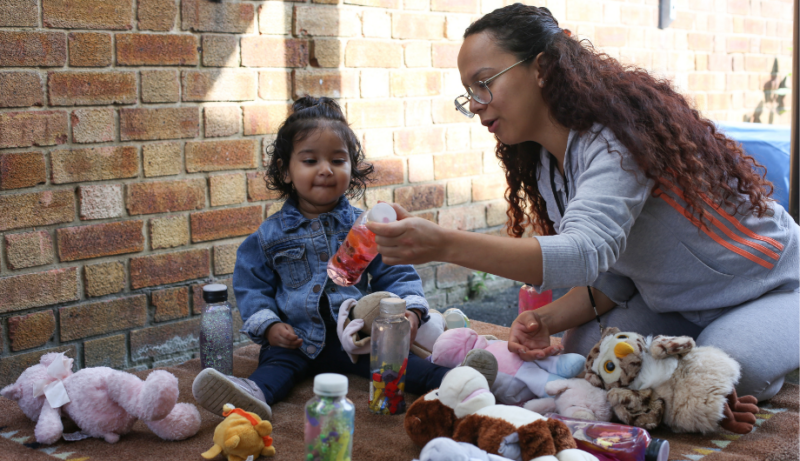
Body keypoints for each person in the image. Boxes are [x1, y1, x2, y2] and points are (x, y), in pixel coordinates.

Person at [367, 4, 799, 402]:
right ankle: (695, 366)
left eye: (485, 83)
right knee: (587, 356)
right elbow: (615, 275)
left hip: (769, 289)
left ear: (542, 67)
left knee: (721, 374)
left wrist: (445, 244)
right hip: (675, 304)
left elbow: (584, 254)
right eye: (469, 92)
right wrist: (546, 321)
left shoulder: (617, 140)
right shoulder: (546, 166)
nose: (477, 105)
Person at [191, 97, 463, 420]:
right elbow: (252, 286)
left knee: (401, 367)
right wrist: (270, 326)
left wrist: (414, 311)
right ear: (286, 170)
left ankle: (456, 381)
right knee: (274, 370)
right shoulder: (270, 234)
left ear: (352, 166)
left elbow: (397, 272)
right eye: (310, 161)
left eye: (337, 160)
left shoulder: (366, 226)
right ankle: (251, 393)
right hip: (295, 340)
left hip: (355, 337)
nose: (325, 170)